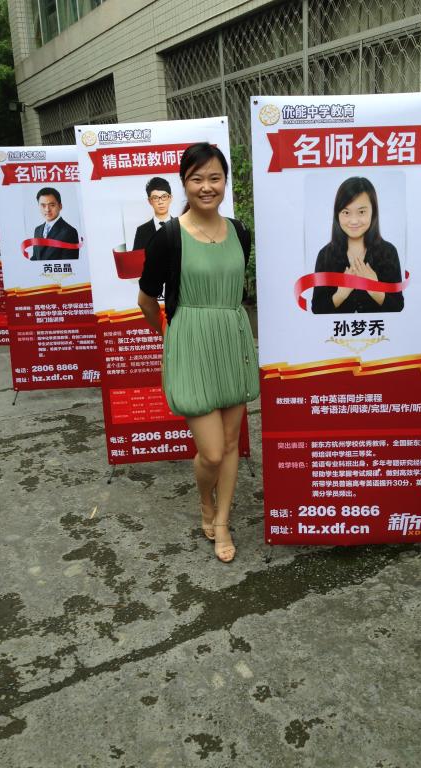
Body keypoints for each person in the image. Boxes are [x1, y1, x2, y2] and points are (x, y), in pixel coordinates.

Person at [138, 143, 259, 564]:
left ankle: (222, 520)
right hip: (190, 341)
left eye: (214, 178)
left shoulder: (240, 232)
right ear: (184, 184)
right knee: (211, 451)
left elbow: (236, 290)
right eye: (196, 179)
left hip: (231, 340)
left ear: (225, 182)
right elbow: (146, 300)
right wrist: (171, 337)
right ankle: (205, 501)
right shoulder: (168, 238)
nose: (207, 187)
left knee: (231, 443)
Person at [311, 177, 404, 314]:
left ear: (373, 212)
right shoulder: (325, 255)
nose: (354, 221)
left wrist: (375, 290)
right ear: (337, 214)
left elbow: (398, 306)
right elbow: (317, 309)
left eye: (361, 212)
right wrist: (341, 294)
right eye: (346, 212)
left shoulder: (388, 252)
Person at [31, 187, 79, 261]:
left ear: (60, 206)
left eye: (52, 205)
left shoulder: (69, 232)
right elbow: (35, 257)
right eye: (43, 205)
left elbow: (70, 264)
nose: (47, 209)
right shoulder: (38, 230)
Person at [133, 177, 173, 251]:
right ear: (150, 201)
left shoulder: (181, 227)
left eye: (164, 196)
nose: (160, 202)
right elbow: (137, 257)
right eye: (155, 198)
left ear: (170, 198)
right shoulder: (141, 231)